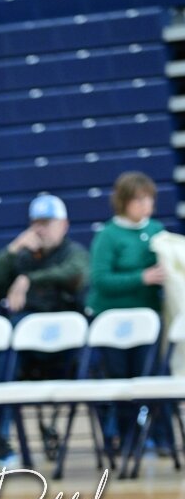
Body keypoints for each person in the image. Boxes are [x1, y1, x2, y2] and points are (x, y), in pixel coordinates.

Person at [0, 193, 89, 464]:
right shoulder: (23, 256)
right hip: (26, 354)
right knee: (0, 355)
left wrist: (29, 279)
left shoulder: (74, 253)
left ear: (64, 225)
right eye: (35, 223)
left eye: (47, 223)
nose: (40, 229)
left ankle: (111, 435)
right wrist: (12, 250)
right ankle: (1, 440)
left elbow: (76, 274)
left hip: (64, 351)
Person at [88, 172, 167, 451]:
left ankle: (163, 438)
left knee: (153, 378)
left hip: (148, 320)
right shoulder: (108, 235)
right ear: (123, 202)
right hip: (115, 322)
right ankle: (127, 440)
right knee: (122, 380)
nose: (146, 205)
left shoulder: (157, 230)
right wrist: (141, 278)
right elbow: (100, 280)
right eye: (139, 200)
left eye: (149, 199)